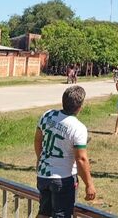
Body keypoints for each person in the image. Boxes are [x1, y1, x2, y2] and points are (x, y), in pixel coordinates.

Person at [34, 85, 96, 218]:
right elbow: (81, 159)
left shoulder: (47, 115)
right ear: (80, 106)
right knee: (62, 214)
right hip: (63, 178)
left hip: (43, 175)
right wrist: (89, 184)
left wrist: (40, 159)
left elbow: (38, 140)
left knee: (44, 212)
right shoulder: (78, 128)